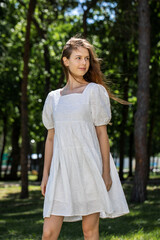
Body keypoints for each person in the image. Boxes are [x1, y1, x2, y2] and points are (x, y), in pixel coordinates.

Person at [41, 36, 129, 240]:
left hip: (90, 168)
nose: (83, 63)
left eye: (87, 59)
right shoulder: (53, 98)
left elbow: (101, 133)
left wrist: (106, 172)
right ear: (66, 61)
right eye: (78, 58)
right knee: (48, 233)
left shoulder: (94, 91)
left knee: (89, 232)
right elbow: (51, 138)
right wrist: (46, 175)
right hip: (61, 170)